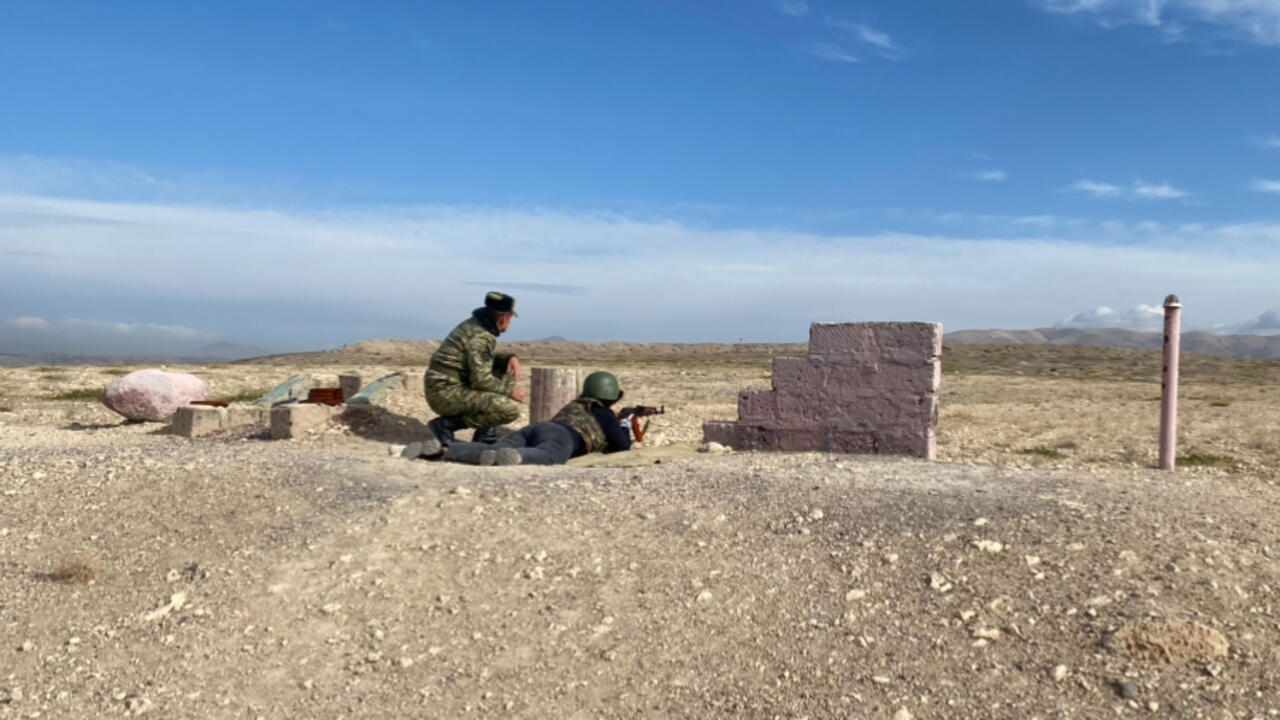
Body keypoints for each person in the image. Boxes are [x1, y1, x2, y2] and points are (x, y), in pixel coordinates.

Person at [403, 371, 632, 466]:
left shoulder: (576, 404)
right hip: (563, 438)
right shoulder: (603, 413)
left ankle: (444, 450)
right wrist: (625, 425)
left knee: (493, 447)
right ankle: (516, 458)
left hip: (539, 428)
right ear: (611, 397)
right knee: (548, 455)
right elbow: (621, 447)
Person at [413, 291, 526, 455]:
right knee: (508, 410)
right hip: (445, 394)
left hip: (445, 387)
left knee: (503, 368)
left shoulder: (474, 325)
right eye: (510, 318)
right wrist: (510, 392)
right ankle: (446, 425)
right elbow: (481, 380)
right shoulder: (481, 336)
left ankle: (486, 435)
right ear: (503, 317)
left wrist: (508, 358)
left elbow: (478, 360)